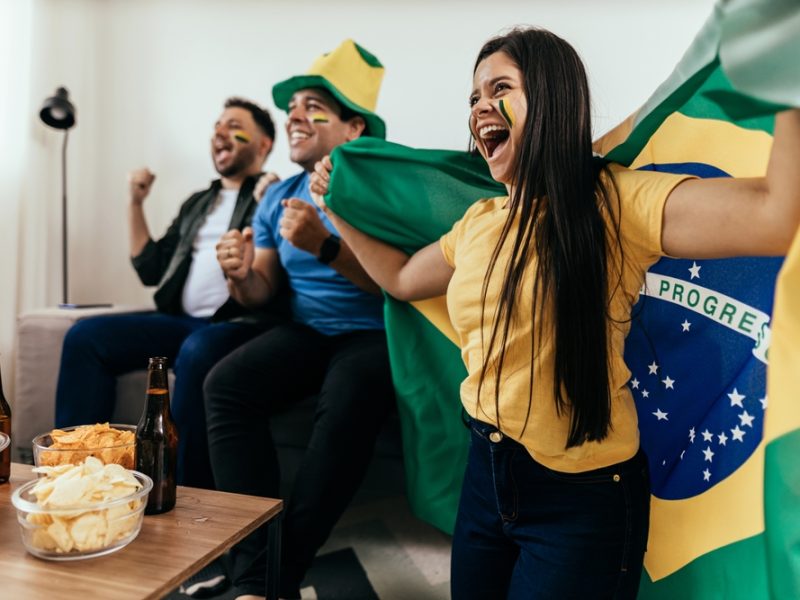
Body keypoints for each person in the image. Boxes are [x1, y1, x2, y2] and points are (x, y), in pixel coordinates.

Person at [310, 28, 800, 599]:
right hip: (486, 474)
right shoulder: (477, 224)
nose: (479, 108)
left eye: (499, 88)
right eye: (472, 97)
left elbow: (773, 216)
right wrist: (335, 208)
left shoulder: (616, 203)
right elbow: (397, 280)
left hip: (583, 499)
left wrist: (783, 68)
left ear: (550, 99)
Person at [204, 40, 395, 600]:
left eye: (315, 107)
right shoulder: (277, 196)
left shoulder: (380, 189)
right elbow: (263, 290)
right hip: (309, 330)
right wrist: (239, 275)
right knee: (225, 386)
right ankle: (256, 568)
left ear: (354, 128)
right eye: (293, 109)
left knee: (351, 390)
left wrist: (325, 247)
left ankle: (269, 579)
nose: (295, 117)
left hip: (376, 331)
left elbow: (399, 284)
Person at [55, 97, 279, 496]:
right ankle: (77, 475)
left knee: (197, 349)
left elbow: (276, 281)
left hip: (239, 326)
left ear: (263, 145)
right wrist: (136, 202)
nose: (221, 133)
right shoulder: (198, 203)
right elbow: (150, 267)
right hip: (181, 323)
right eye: (217, 126)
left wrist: (273, 197)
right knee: (84, 337)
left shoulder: (272, 195)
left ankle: (187, 492)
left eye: (234, 126)